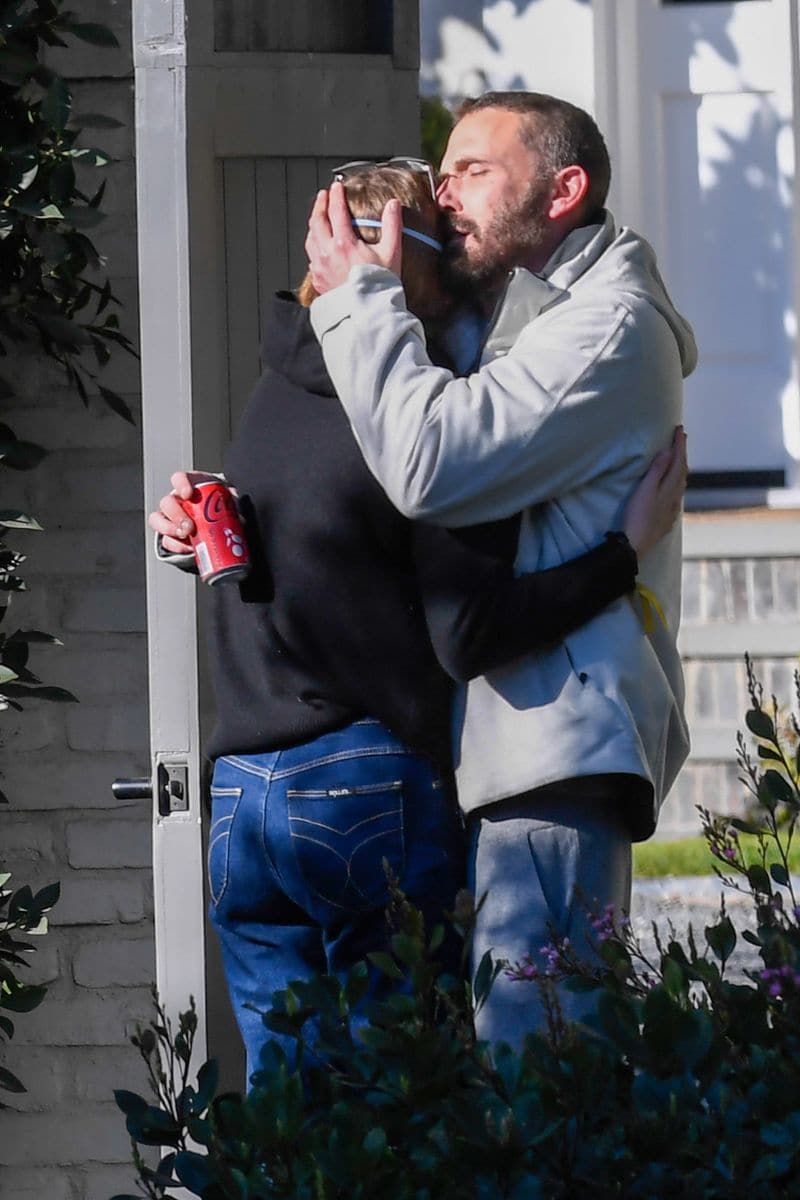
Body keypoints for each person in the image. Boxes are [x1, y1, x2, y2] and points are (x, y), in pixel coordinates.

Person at [150, 162, 687, 1074]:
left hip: (241, 789)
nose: (473, 265)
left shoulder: (275, 382)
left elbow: (285, 560)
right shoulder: (421, 405)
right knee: (405, 1104)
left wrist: (189, 533)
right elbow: (466, 631)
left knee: (291, 1113)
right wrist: (619, 555)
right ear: (398, 255)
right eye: (449, 233)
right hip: (363, 780)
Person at [305, 92, 697, 1044]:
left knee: (543, 1074)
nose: (446, 192)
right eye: (443, 171)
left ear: (563, 190)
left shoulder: (603, 328)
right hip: (517, 743)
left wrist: (360, 299)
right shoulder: (524, 311)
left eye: (475, 169)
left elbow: (432, 464)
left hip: (553, 750)